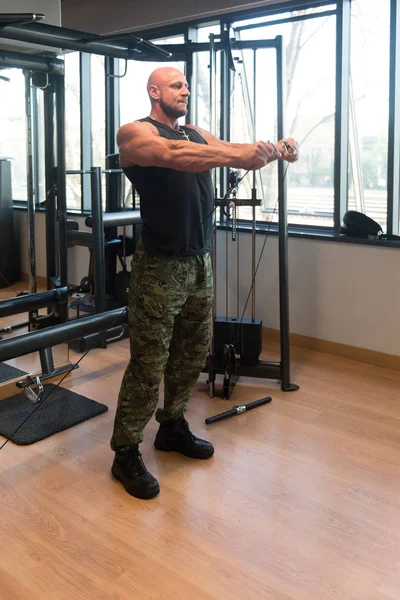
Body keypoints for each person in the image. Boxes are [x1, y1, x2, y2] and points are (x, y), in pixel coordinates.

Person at [110, 66, 299, 500]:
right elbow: (175, 158)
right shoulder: (134, 134)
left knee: (193, 352)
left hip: (199, 261)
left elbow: (225, 147)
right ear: (154, 91)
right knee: (149, 362)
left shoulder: (194, 131)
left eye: (187, 86)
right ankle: (124, 451)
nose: (185, 91)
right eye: (177, 86)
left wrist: (268, 150)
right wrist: (240, 156)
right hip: (159, 267)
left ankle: (172, 425)